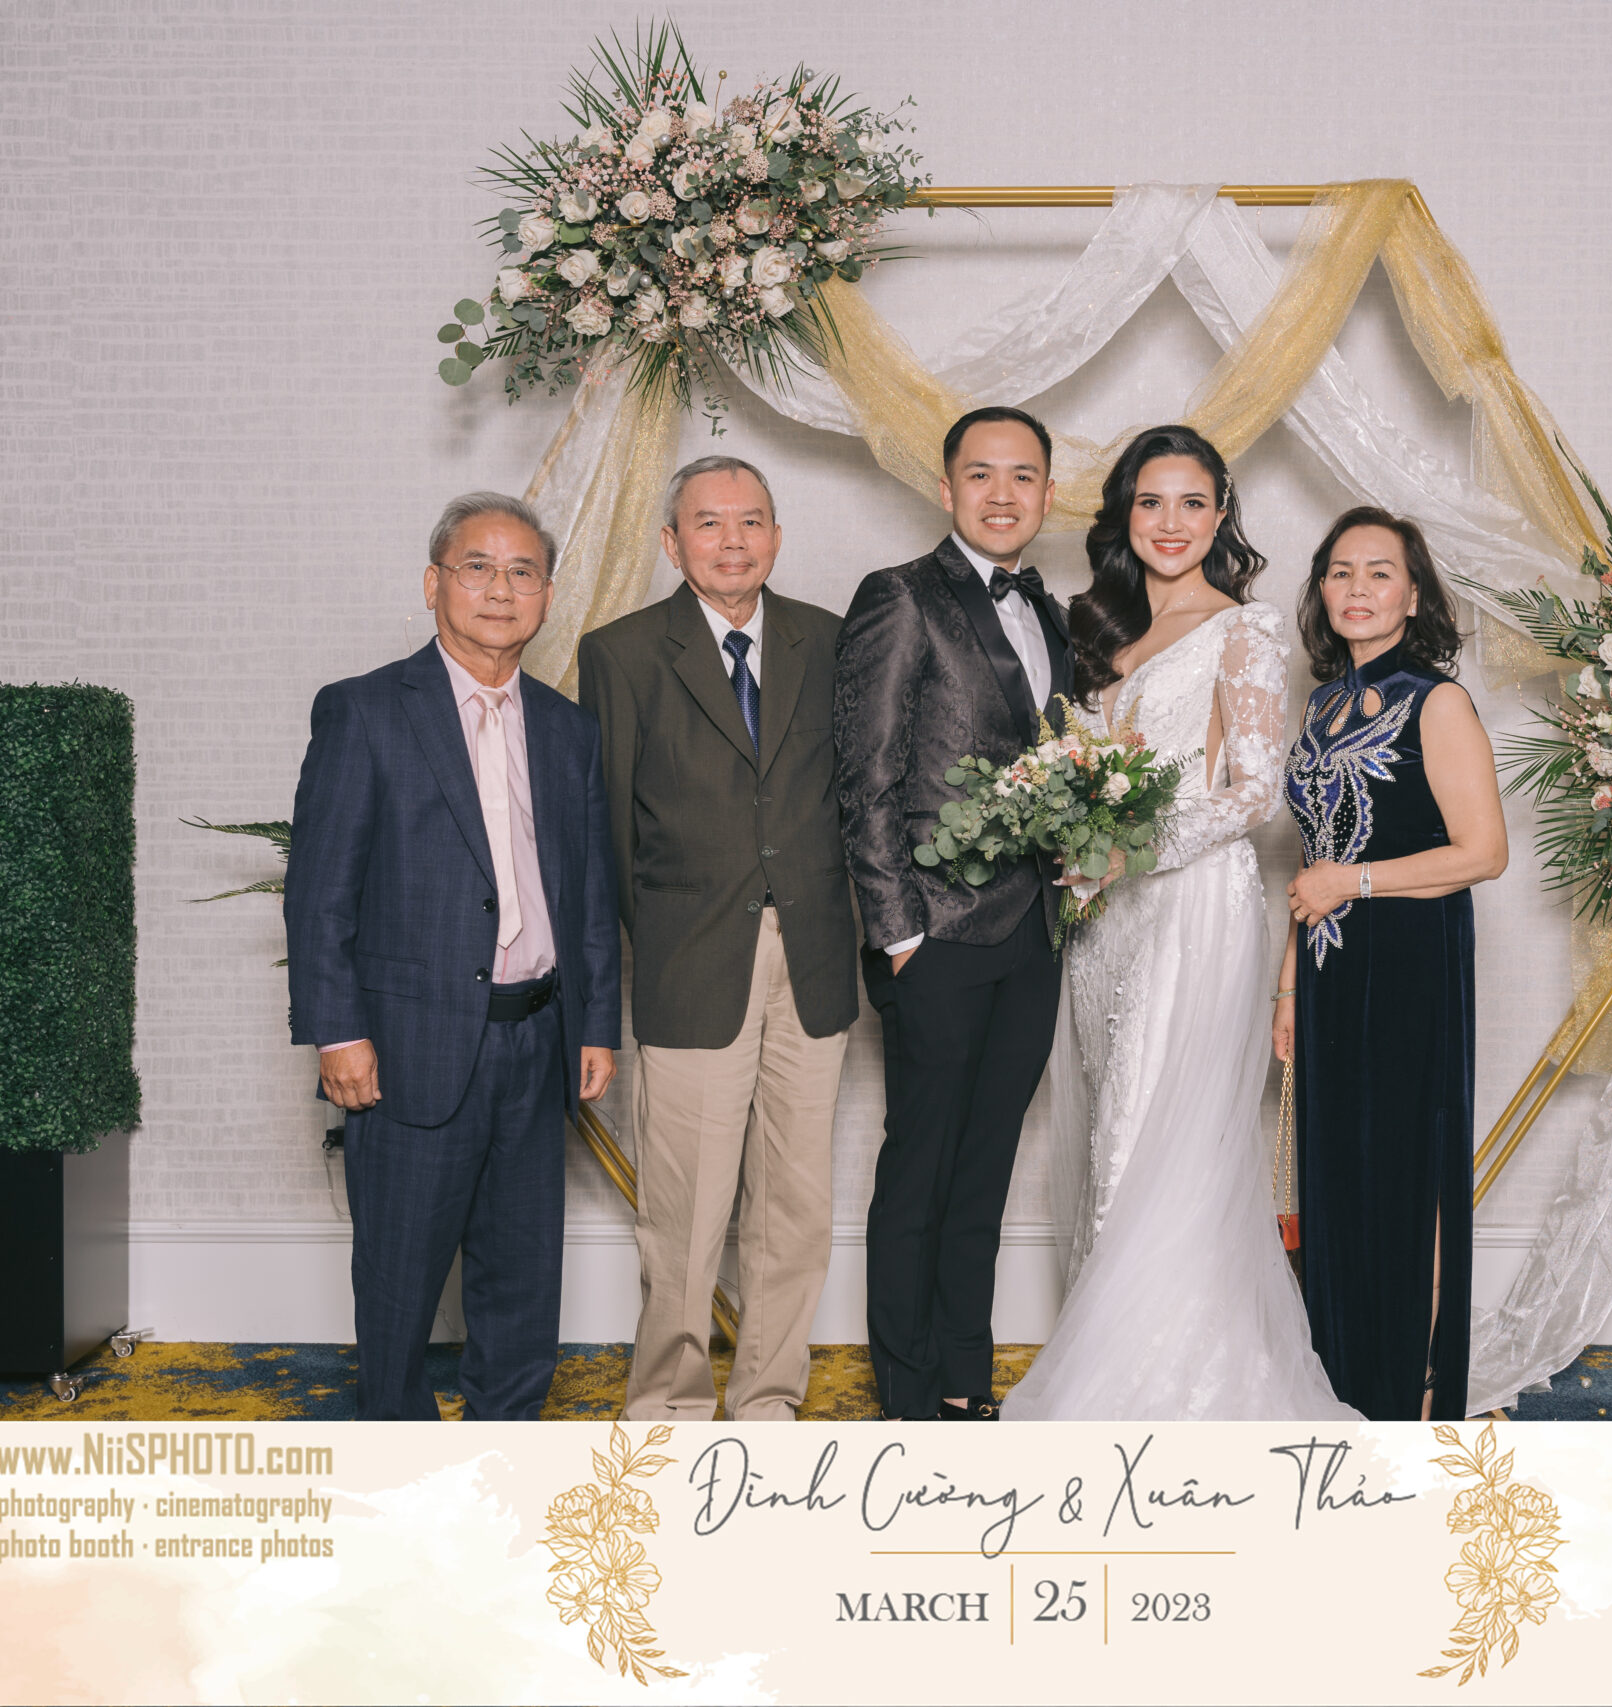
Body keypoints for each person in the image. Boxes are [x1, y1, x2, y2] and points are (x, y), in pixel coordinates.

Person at [1003, 424, 1355, 1423]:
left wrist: (1133, 848)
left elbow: (1255, 791)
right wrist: (1076, 838)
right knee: (1111, 1121)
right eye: (1150, 502)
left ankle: (1156, 1395)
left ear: (1221, 514)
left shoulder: (1243, 630)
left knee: (1151, 1134)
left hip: (1192, 903)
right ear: (1123, 515)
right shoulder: (1096, 629)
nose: (1170, 523)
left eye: (1192, 503)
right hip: (1104, 915)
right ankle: (1117, 1356)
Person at [286, 492, 621, 1421]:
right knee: (398, 1284)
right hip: (407, 1046)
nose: (500, 590)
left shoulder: (568, 728)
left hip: (538, 1041)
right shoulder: (364, 711)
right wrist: (337, 1032)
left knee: (522, 1282)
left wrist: (596, 1024)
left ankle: (501, 1460)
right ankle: (399, 1473)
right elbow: (319, 893)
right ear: (434, 583)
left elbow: (587, 893)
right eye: (478, 567)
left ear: (546, 595)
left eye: (523, 572)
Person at [574, 456, 856, 1423]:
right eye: (708, 523)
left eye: (751, 521)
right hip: (692, 961)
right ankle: (669, 1406)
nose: (732, 541)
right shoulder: (620, 653)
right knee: (685, 1211)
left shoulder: (829, 639)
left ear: (776, 536)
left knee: (794, 1205)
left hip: (813, 957)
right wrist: (655, 944)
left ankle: (769, 1399)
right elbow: (608, 832)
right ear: (671, 541)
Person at [834, 405, 1073, 1421]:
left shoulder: (1051, 608)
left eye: (1022, 476)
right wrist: (898, 934)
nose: (1002, 494)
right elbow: (865, 774)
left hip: (1034, 935)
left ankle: (965, 1380)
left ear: (1048, 493)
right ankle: (907, 1392)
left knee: (984, 1169)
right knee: (921, 1166)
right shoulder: (898, 596)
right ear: (946, 488)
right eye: (981, 474)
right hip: (932, 935)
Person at [1275, 507, 1509, 1421]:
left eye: (1380, 572)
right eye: (1341, 571)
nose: (1358, 588)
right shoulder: (1322, 704)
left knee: (1406, 1170)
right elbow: (1313, 860)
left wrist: (1355, 883)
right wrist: (1287, 986)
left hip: (1411, 963)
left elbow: (1484, 852)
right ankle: (1346, 1382)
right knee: (1340, 1171)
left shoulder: (1436, 700)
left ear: (1414, 596)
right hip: (1329, 969)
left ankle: (1415, 1388)